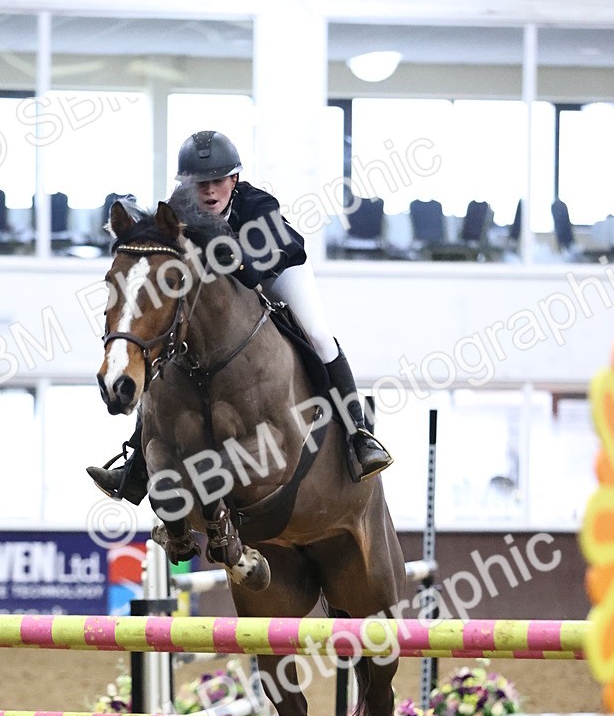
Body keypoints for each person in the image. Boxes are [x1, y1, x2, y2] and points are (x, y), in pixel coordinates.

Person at [88, 130, 392, 501]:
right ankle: (136, 461)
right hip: (221, 290)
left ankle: (358, 435)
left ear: (234, 180)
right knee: (166, 347)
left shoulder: (260, 206)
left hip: (277, 272)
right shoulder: (178, 208)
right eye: (200, 183)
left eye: (218, 181)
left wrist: (199, 234)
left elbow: (248, 274)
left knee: (317, 334)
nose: (210, 191)